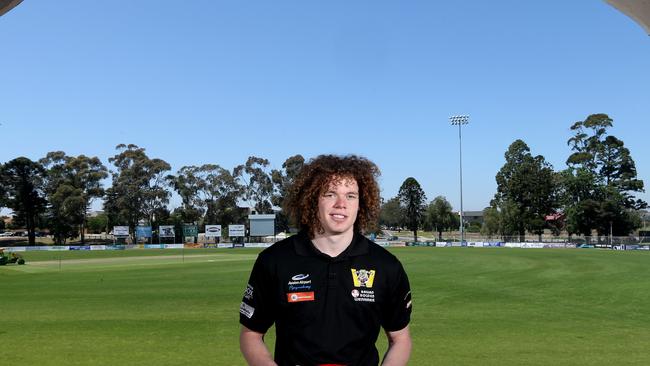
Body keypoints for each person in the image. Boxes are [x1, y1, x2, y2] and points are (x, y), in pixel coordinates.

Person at [239, 155, 412, 366]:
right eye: (330, 194)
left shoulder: (386, 266)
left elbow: (400, 339)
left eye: (350, 196)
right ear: (313, 200)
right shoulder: (274, 260)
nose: (341, 204)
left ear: (361, 203)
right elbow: (251, 335)